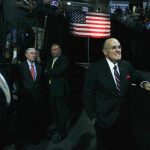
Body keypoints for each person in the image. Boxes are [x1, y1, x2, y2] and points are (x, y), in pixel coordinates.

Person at [83, 38, 150, 150]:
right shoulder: (95, 69)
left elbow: (137, 77)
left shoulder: (126, 65)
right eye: (114, 47)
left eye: (119, 47)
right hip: (104, 118)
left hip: (123, 117)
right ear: (105, 52)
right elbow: (87, 95)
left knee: (121, 144)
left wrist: (144, 83)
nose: (118, 50)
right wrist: (93, 116)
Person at [13, 47, 45, 146]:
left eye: (35, 53)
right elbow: (15, 79)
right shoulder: (20, 66)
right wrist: (18, 92)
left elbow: (41, 83)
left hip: (36, 99)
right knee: (23, 120)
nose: (34, 55)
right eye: (31, 53)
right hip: (24, 98)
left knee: (34, 119)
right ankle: (21, 141)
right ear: (26, 55)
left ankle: (33, 138)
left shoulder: (39, 67)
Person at [44, 43, 69, 143]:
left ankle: (62, 134)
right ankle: (57, 129)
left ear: (60, 50)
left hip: (60, 91)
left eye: (55, 49)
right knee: (54, 112)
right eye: (52, 50)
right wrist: (51, 71)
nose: (53, 51)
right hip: (51, 90)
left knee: (61, 113)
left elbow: (60, 71)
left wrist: (49, 71)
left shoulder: (64, 59)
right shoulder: (50, 60)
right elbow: (46, 72)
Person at [0, 69, 11, 149]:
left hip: (4, 103)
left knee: (3, 123)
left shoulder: (3, 70)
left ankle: (3, 141)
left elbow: (6, 86)